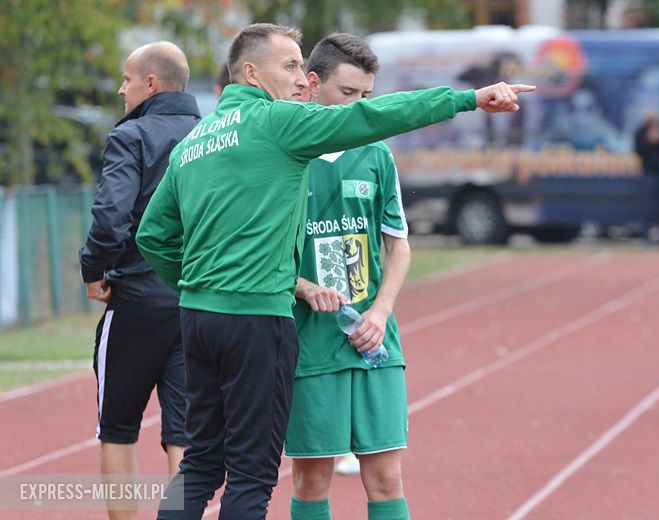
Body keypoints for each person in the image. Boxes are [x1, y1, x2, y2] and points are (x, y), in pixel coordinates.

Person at [135, 22, 533, 519]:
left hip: (197, 317)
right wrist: (468, 99)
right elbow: (375, 115)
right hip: (257, 317)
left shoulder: (195, 141)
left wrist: (197, 284)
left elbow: (152, 236)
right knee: (254, 472)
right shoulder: (277, 122)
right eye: (291, 65)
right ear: (252, 72)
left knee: (200, 464)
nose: (302, 76)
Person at [282, 33, 411, 520]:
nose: (359, 107)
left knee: (386, 476)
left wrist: (380, 313)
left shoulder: (377, 154)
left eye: (367, 97)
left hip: (373, 339)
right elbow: (260, 251)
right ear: (312, 84)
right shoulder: (287, 154)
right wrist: (303, 286)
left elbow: (398, 246)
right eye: (348, 93)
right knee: (313, 478)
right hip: (311, 341)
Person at [78, 41, 200, 519]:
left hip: (137, 299)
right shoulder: (210, 134)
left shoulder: (131, 136)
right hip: (196, 301)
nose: (120, 89)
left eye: (127, 79)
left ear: (151, 84)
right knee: (185, 434)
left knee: (118, 427)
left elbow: (110, 220)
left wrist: (93, 271)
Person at [634, 111, 659, 244]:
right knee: (647, 206)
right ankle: (646, 236)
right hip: (648, 172)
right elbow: (638, 150)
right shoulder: (640, 132)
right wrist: (649, 140)